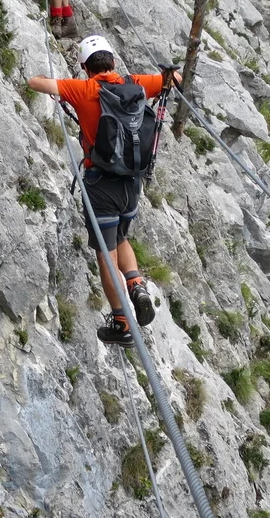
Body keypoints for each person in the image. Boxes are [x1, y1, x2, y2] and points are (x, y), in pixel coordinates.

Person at [27, 35, 178, 347]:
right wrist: (170, 74)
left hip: (101, 185)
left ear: (85, 66)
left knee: (105, 256)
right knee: (122, 237)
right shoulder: (136, 83)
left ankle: (122, 322)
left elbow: (34, 82)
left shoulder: (82, 89)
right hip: (132, 183)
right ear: (112, 60)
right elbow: (173, 79)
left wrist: (55, 83)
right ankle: (135, 283)